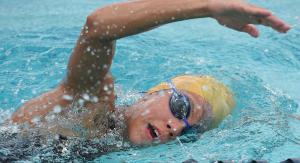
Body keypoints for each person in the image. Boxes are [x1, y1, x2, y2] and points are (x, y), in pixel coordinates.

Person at [8, 0, 291, 146]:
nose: (177, 127)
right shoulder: (90, 104)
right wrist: (206, 8)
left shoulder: (117, 146)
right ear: (150, 95)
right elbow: (98, 28)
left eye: (190, 132)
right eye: (180, 107)